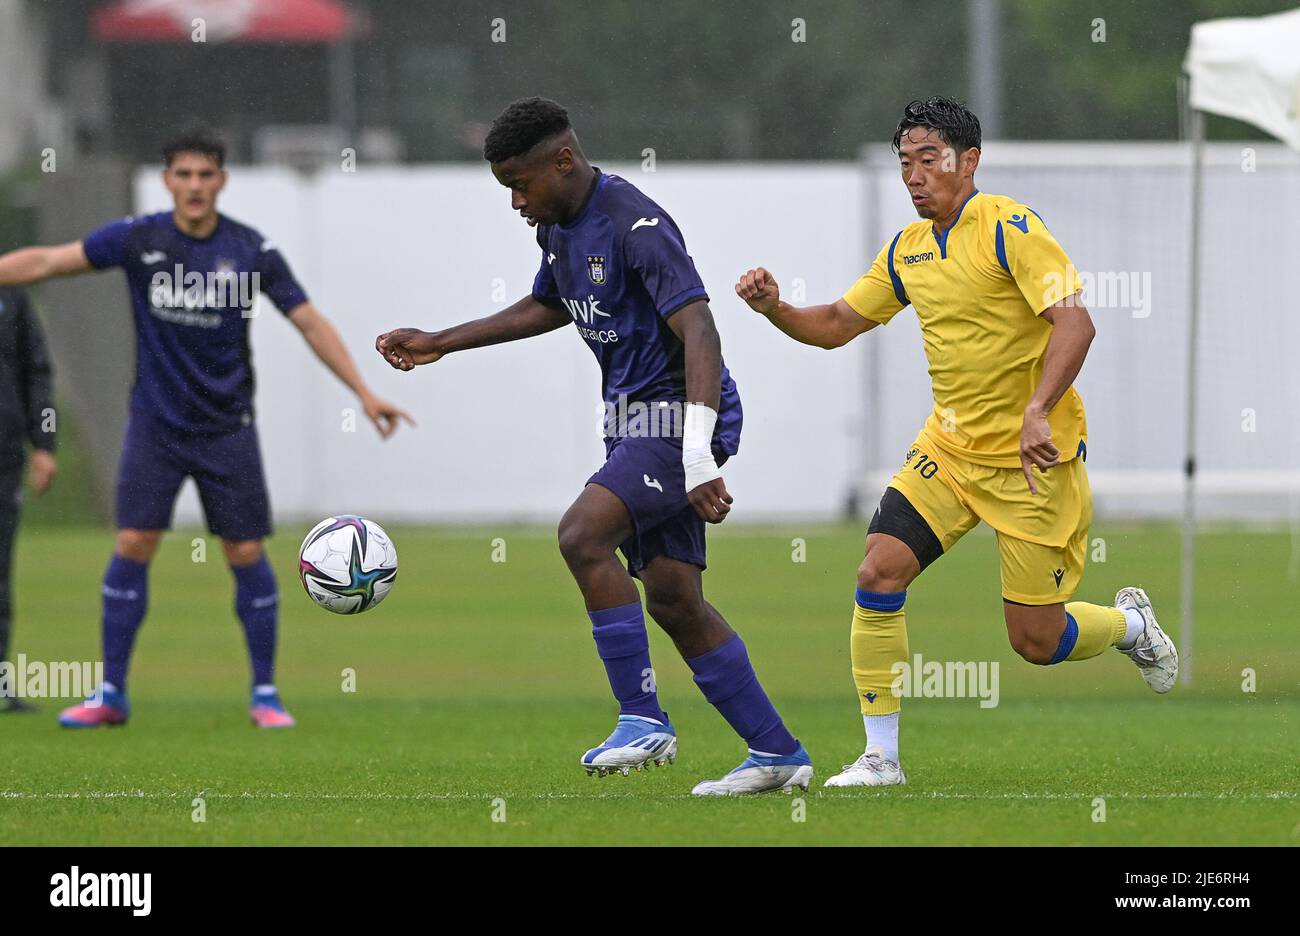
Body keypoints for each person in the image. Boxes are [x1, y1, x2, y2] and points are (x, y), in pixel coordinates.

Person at [735, 96, 1177, 788]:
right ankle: (882, 756)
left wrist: (1038, 409)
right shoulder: (908, 249)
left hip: (1036, 462)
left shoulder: (1011, 227)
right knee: (877, 571)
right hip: (948, 452)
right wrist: (775, 309)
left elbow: (1076, 324)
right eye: (905, 163)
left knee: (1035, 640)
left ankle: (1130, 627)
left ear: (968, 161)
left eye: (929, 160)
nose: (914, 176)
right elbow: (836, 324)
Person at [376, 97, 812, 795]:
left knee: (582, 535)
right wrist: (441, 341)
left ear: (564, 161)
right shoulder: (559, 229)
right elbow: (547, 305)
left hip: (677, 417)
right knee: (673, 598)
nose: (516, 202)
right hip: (631, 422)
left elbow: (701, 330)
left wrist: (697, 453)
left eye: (521, 185)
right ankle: (776, 751)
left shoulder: (636, 223)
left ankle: (641, 717)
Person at [0, 129, 411, 729]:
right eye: (183, 175)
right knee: (133, 544)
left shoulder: (250, 250)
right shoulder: (138, 239)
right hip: (155, 428)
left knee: (245, 552)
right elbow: (48, 261)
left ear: (221, 180)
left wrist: (365, 392)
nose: (194, 186)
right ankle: (111, 693)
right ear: (168, 180)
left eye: (205, 175)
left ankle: (265, 694)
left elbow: (309, 322)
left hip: (227, 430)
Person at [0, 286, 57, 713]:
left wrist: (45, 442)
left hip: (4, 456)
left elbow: (37, 371)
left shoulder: (12, 295)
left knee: (0, 570)